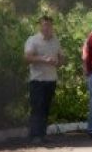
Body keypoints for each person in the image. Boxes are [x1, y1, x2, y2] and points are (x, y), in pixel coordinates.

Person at [23, 14, 62, 142]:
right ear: (40, 26)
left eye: (49, 25)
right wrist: (43, 59)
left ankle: (42, 134)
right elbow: (27, 58)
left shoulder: (55, 40)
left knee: (45, 107)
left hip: (51, 79)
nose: (46, 27)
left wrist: (58, 62)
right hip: (37, 80)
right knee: (37, 107)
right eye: (44, 25)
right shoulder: (33, 40)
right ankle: (34, 135)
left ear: (52, 26)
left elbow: (62, 58)